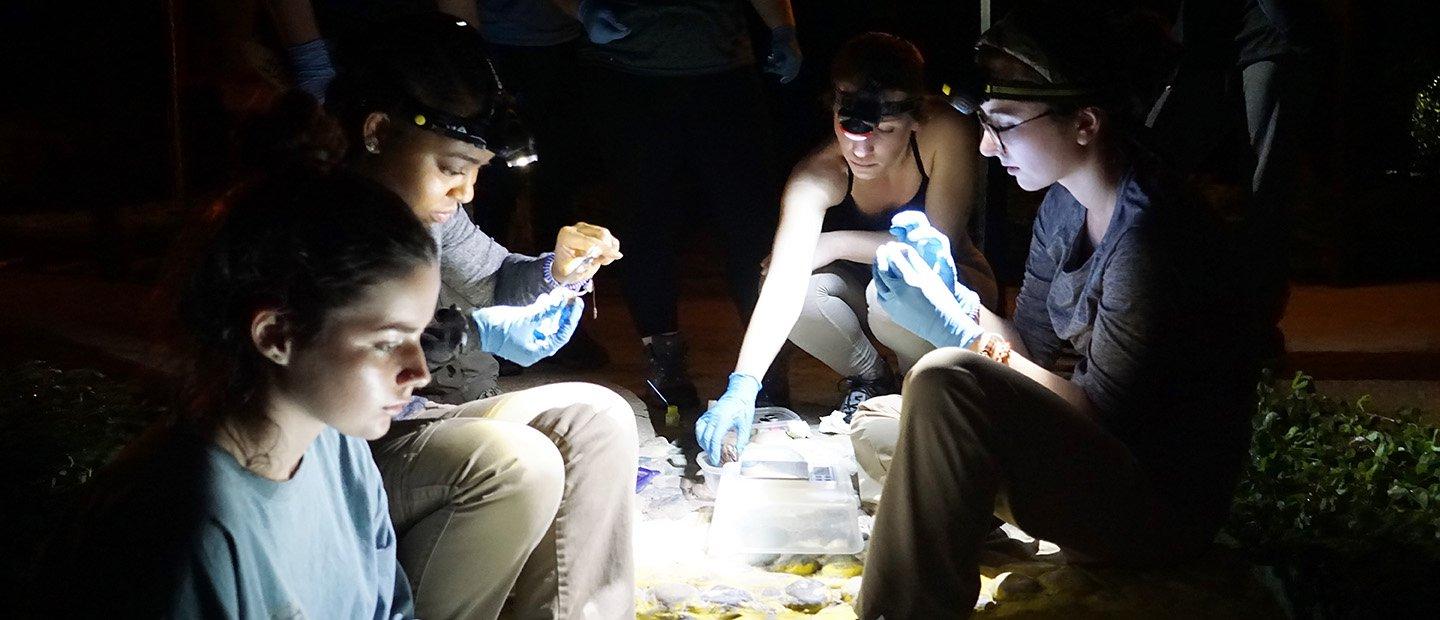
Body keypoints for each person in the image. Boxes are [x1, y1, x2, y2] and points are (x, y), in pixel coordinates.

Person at [852, 2, 1278, 616]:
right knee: (881, 422)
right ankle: (965, 527)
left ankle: (905, 609)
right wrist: (954, 295)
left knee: (944, 383)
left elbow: (1101, 415)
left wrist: (961, 330)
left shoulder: (1150, 240)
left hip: (1153, 508)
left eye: (1004, 123)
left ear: (1084, 123)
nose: (987, 145)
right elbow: (1028, 350)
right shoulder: (1063, 205)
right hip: (1083, 461)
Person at [250, 14, 638, 618]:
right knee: (517, 464)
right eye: (453, 169)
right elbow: (336, 363)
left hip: (407, 420)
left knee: (599, 417)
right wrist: (460, 336)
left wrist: (557, 271)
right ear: (377, 131)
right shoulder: (313, 216)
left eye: (476, 174)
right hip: (332, 449)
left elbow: (491, 277)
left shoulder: (432, 214)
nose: (466, 194)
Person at [38, 172, 430, 617]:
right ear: (277, 335)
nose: (420, 372)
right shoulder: (185, 527)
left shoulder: (340, 448)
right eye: (386, 342)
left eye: (420, 334)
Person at [696, 32, 993, 461]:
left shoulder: (945, 132)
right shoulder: (818, 173)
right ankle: (871, 380)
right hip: (869, 297)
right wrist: (742, 385)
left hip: (955, 292)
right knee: (796, 290)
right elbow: (783, 282)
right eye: (848, 129)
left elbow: (934, 248)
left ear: (916, 117)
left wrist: (835, 242)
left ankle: (922, 382)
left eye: (885, 131)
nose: (862, 149)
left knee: (890, 289)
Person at [557, 0, 801, 412]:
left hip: (723, 76)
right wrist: (581, 10)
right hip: (627, 76)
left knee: (750, 226)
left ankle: (766, 365)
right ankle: (663, 359)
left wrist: (783, 29)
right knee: (644, 224)